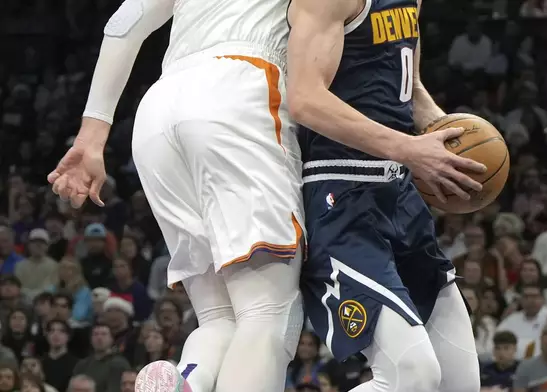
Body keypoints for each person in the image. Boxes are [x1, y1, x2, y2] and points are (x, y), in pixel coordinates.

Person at [46, 0, 305, 392]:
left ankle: (187, 381)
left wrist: (91, 135)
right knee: (269, 312)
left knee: (219, 317)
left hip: (159, 109)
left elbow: (122, 24)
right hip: (241, 87)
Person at [287, 0, 484, 390]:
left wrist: (443, 131)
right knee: (411, 374)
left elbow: (408, 84)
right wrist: (410, 149)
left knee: (460, 383)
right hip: (341, 194)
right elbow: (305, 98)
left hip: (399, 194)